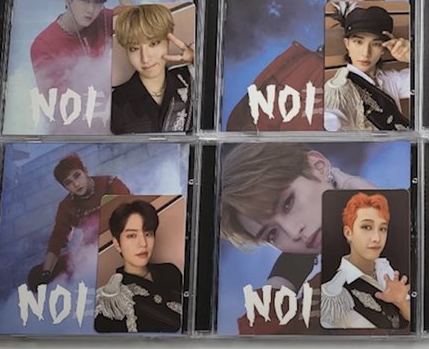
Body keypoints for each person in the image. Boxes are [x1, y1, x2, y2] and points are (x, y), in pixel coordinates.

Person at [220, 143, 376, 333]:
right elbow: (262, 341)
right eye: (272, 234)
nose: (293, 232)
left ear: (318, 166)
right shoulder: (317, 301)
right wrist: (282, 279)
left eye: (288, 203)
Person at [30, 0, 133, 133]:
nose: (91, 9)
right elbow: (58, 108)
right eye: (85, 0)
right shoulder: (44, 45)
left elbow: (142, 26)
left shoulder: (103, 18)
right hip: (79, 128)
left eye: (98, 2)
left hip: (118, 114)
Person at [37, 153, 130, 286]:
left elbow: (132, 213)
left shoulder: (110, 184)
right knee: (36, 276)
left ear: (85, 171)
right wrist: (46, 272)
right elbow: (57, 238)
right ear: (65, 187)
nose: (76, 184)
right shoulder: (67, 206)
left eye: (77, 175)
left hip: (122, 240)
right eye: (68, 182)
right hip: (91, 250)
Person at [320, 193, 410, 329]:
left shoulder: (386, 271)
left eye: (382, 229)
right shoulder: (333, 293)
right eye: (367, 227)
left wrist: (401, 302)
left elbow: (416, 325)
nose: (377, 238)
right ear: (348, 233)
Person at [94, 200, 183, 333]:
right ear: (117, 244)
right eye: (132, 235)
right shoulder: (112, 301)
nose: (143, 243)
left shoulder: (170, 271)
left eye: (148, 234)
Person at [111, 4, 194, 134]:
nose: (145, 58)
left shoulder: (191, 78)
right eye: (134, 48)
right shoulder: (116, 101)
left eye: (153, 43)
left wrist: (199, 62)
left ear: (168, 40)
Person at [324, 5, 410, 131]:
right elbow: (331, 120)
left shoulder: (390, 79)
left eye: (376, 44)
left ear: (384, 49)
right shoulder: (338, 89)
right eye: (358, 42)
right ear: (347, 44)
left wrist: (413, 57)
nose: (366, 53)